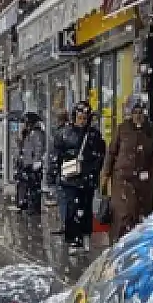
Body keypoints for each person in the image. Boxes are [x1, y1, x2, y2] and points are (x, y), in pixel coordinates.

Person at [101, 96, 153, 241]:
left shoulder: (151, 131)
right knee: (123, 214)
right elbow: (111, 152)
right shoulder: (122, 129)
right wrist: (105, 174)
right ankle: (119, 243)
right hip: (122, 179)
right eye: (135, 112)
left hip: (142, 181)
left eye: (141, 112)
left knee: (141, 214)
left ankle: (136, 243)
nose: (138, 116)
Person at [54, 103, 106, 250]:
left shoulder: (93, 135)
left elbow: (100, 155)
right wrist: (59, 170)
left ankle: (84, 235)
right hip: (71, 177)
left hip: (86, 178)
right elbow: (58, 153)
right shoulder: (66, 133)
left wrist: (93, 170)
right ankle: (74, 239)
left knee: (85, 208)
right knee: (72, 208)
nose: (82, 121)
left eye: (84, 118)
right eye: (79, 117)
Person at [16, 113, 46, 215]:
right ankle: (27, 205)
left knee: (34, 187)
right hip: (27, 164)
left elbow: (39, 148)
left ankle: (34, 208)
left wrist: (36, 161)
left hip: (33, 165)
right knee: (28, 186)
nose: (24, 124)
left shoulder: (36, 133)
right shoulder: (28, 134)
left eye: (25, 122)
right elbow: (23, 149)